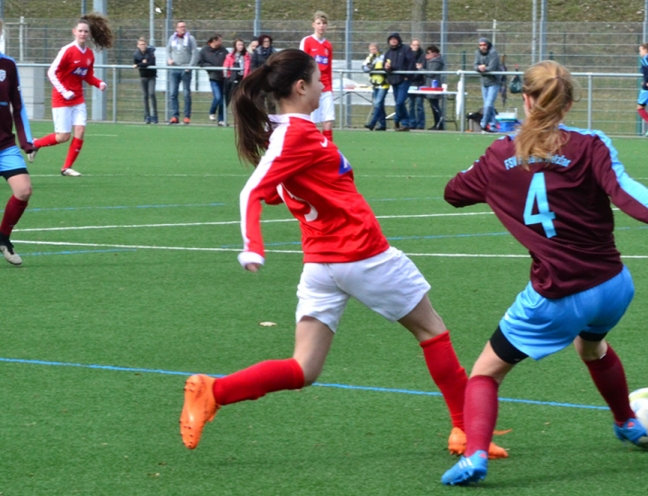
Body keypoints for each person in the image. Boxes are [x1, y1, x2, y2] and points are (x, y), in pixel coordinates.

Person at [179, 48, 507, 461]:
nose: (324, 86)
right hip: (363, 255)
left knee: (303, 368)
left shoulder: (291, 133)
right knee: (432, 332)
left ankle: (214, 391)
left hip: (321, 265)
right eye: (318, 80)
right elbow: (252, 192)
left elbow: (285, 186)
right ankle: (465, 431)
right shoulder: (294, 135)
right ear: (301, 87)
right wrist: (253, 248)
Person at [439, 60, 648, 486]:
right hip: (613, 287)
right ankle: (627, 421)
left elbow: (454, 193)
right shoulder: (590, 145)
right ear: (568, 105)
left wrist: (495, 173)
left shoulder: (498, 154)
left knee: (485, 373)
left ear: (525, 100)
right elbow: (623, 189)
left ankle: (474, 457)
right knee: (592, 347)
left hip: (558, 294)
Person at [30, 14, 111, 177]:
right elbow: (51, 72)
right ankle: (35, 144)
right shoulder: (67, 51)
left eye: (86, 31)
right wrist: (64, 92)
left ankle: (66, 168)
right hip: (62, 99)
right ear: (74, 32)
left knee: (80, 131)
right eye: (80, 31)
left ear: (89, 34)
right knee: (63, 137)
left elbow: (87, 76)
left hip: (78, 99)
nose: (83, 34)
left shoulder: (89, 54)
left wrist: (99, 83)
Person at [0, 20, 36, 265]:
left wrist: (27, 142)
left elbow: (18, 106)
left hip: (4, 144)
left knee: (24, 190)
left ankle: (3, 238)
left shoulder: (8, 65)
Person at [299, 11, 335, 138]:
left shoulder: (328, 45)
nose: (321, 26)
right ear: (313, 25)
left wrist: (331, 88)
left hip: (325, 86)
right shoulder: (307, 41)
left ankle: (328, 147)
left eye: (324, 23)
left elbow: (329, 68)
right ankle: (312, 146)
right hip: (311, 86)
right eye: (318, 23)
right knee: (312, 121)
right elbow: (301, 63)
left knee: (328, 120)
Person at [166, 20, 197, 124]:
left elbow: (194, 53)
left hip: (186, 69)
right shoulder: (172, 38)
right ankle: (175, 116)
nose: (183, 28)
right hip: (174, 69)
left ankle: (187, 116)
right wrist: (169, 59)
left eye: (184, 26)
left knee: (186, 93)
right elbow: (168, 50)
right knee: (173, 93)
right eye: (180, 27)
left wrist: (190, 66)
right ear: (177, 29)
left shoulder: (190, 38)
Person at [383, 33, 415, 130]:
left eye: (395, 39)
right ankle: (405, 123)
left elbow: (411, 63)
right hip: (394, 80)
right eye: (391, 39)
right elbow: (386, 66)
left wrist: (407, 76)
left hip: (404, 80)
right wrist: (387, 68)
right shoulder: (388, 53)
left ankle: (397, 119)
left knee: (400, 102)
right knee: (398, 103)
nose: (393, 41)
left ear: (398, 40)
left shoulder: (406, 49)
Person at [197, 34, 228, 126]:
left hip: (224, 77)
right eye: (219, 40)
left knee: (223, 100)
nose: (221, 42)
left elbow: (229, 59)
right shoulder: (204, 50)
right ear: (214, 41)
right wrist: (209, 67)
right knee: (218, 97)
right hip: (213, 77)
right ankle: (212, 111)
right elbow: (200, 62)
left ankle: (221, 120)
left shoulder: (223, 50)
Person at [475, 37, 502, 132]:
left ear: (487, 45)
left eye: (484, 45)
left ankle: (483, 124)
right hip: (484, 82)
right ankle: (493, 126)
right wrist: (478, 68)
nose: (482, 47)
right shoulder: (477, 53)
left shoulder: (493, 53)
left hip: (494, 82)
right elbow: (475, 65)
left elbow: (492, 67)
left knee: (488, 104)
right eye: (481, 45)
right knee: (489, 106)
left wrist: (484, 69)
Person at [362, 43, 389, 131]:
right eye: (371, 49)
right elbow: (364, 68)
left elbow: (386, 67)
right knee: (379, 105)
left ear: (378, 49)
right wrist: (371, 67)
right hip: (375, 84)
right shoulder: (369, 57)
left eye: (374, 49)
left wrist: (372, 67)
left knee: (377, 103)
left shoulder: (383, 57)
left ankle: (372, 123)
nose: (373, 51)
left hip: (383, 84)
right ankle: (382, 124)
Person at [133, 36, 158, 124]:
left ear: (146, 44)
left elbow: (151, 63)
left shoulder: (151, 52)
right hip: (143, 76)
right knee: (145, 96)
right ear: (138, 45)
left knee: (151, 94)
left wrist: (140, 64)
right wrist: (142, 63)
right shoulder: (136, 54)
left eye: (144, 44)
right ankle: (147, 116)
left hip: (151, 76)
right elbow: (135, 63)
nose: (142, 46)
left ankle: (154, 116)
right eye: (141, 44)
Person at [223, 38, 250, 109]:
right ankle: (223, 113)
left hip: (243, 79)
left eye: (242, 45)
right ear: (235, 46)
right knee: (228, 97)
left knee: (241, 98)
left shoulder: (246, 56)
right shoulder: (230, 56)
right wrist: (227, 76)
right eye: (239, 45)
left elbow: (248, 68)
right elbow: (226, 66)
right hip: (232, 78)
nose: (241, 46)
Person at [423, 45, 446, 130]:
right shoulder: (430, 61)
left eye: (429, 53)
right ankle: (437, 124)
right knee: (433, 105)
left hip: (434, 85)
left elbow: (431, 73)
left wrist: (421, 69)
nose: (427, 55)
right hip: (429, 85)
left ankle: (439, 124)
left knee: (435, 106)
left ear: (435, 53)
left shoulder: (437, 62)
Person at [407, 38, 426, 130]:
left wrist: (418, 69)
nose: (416, 46)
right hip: (410, 83)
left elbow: (422, 68)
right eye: (414, 45)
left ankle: (420, 124)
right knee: (411, 104)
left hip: (420, 83)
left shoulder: (423, 55)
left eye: (417, 45)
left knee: (419, 104)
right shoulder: (407, 55)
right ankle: (412, 123)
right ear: (411, 46)